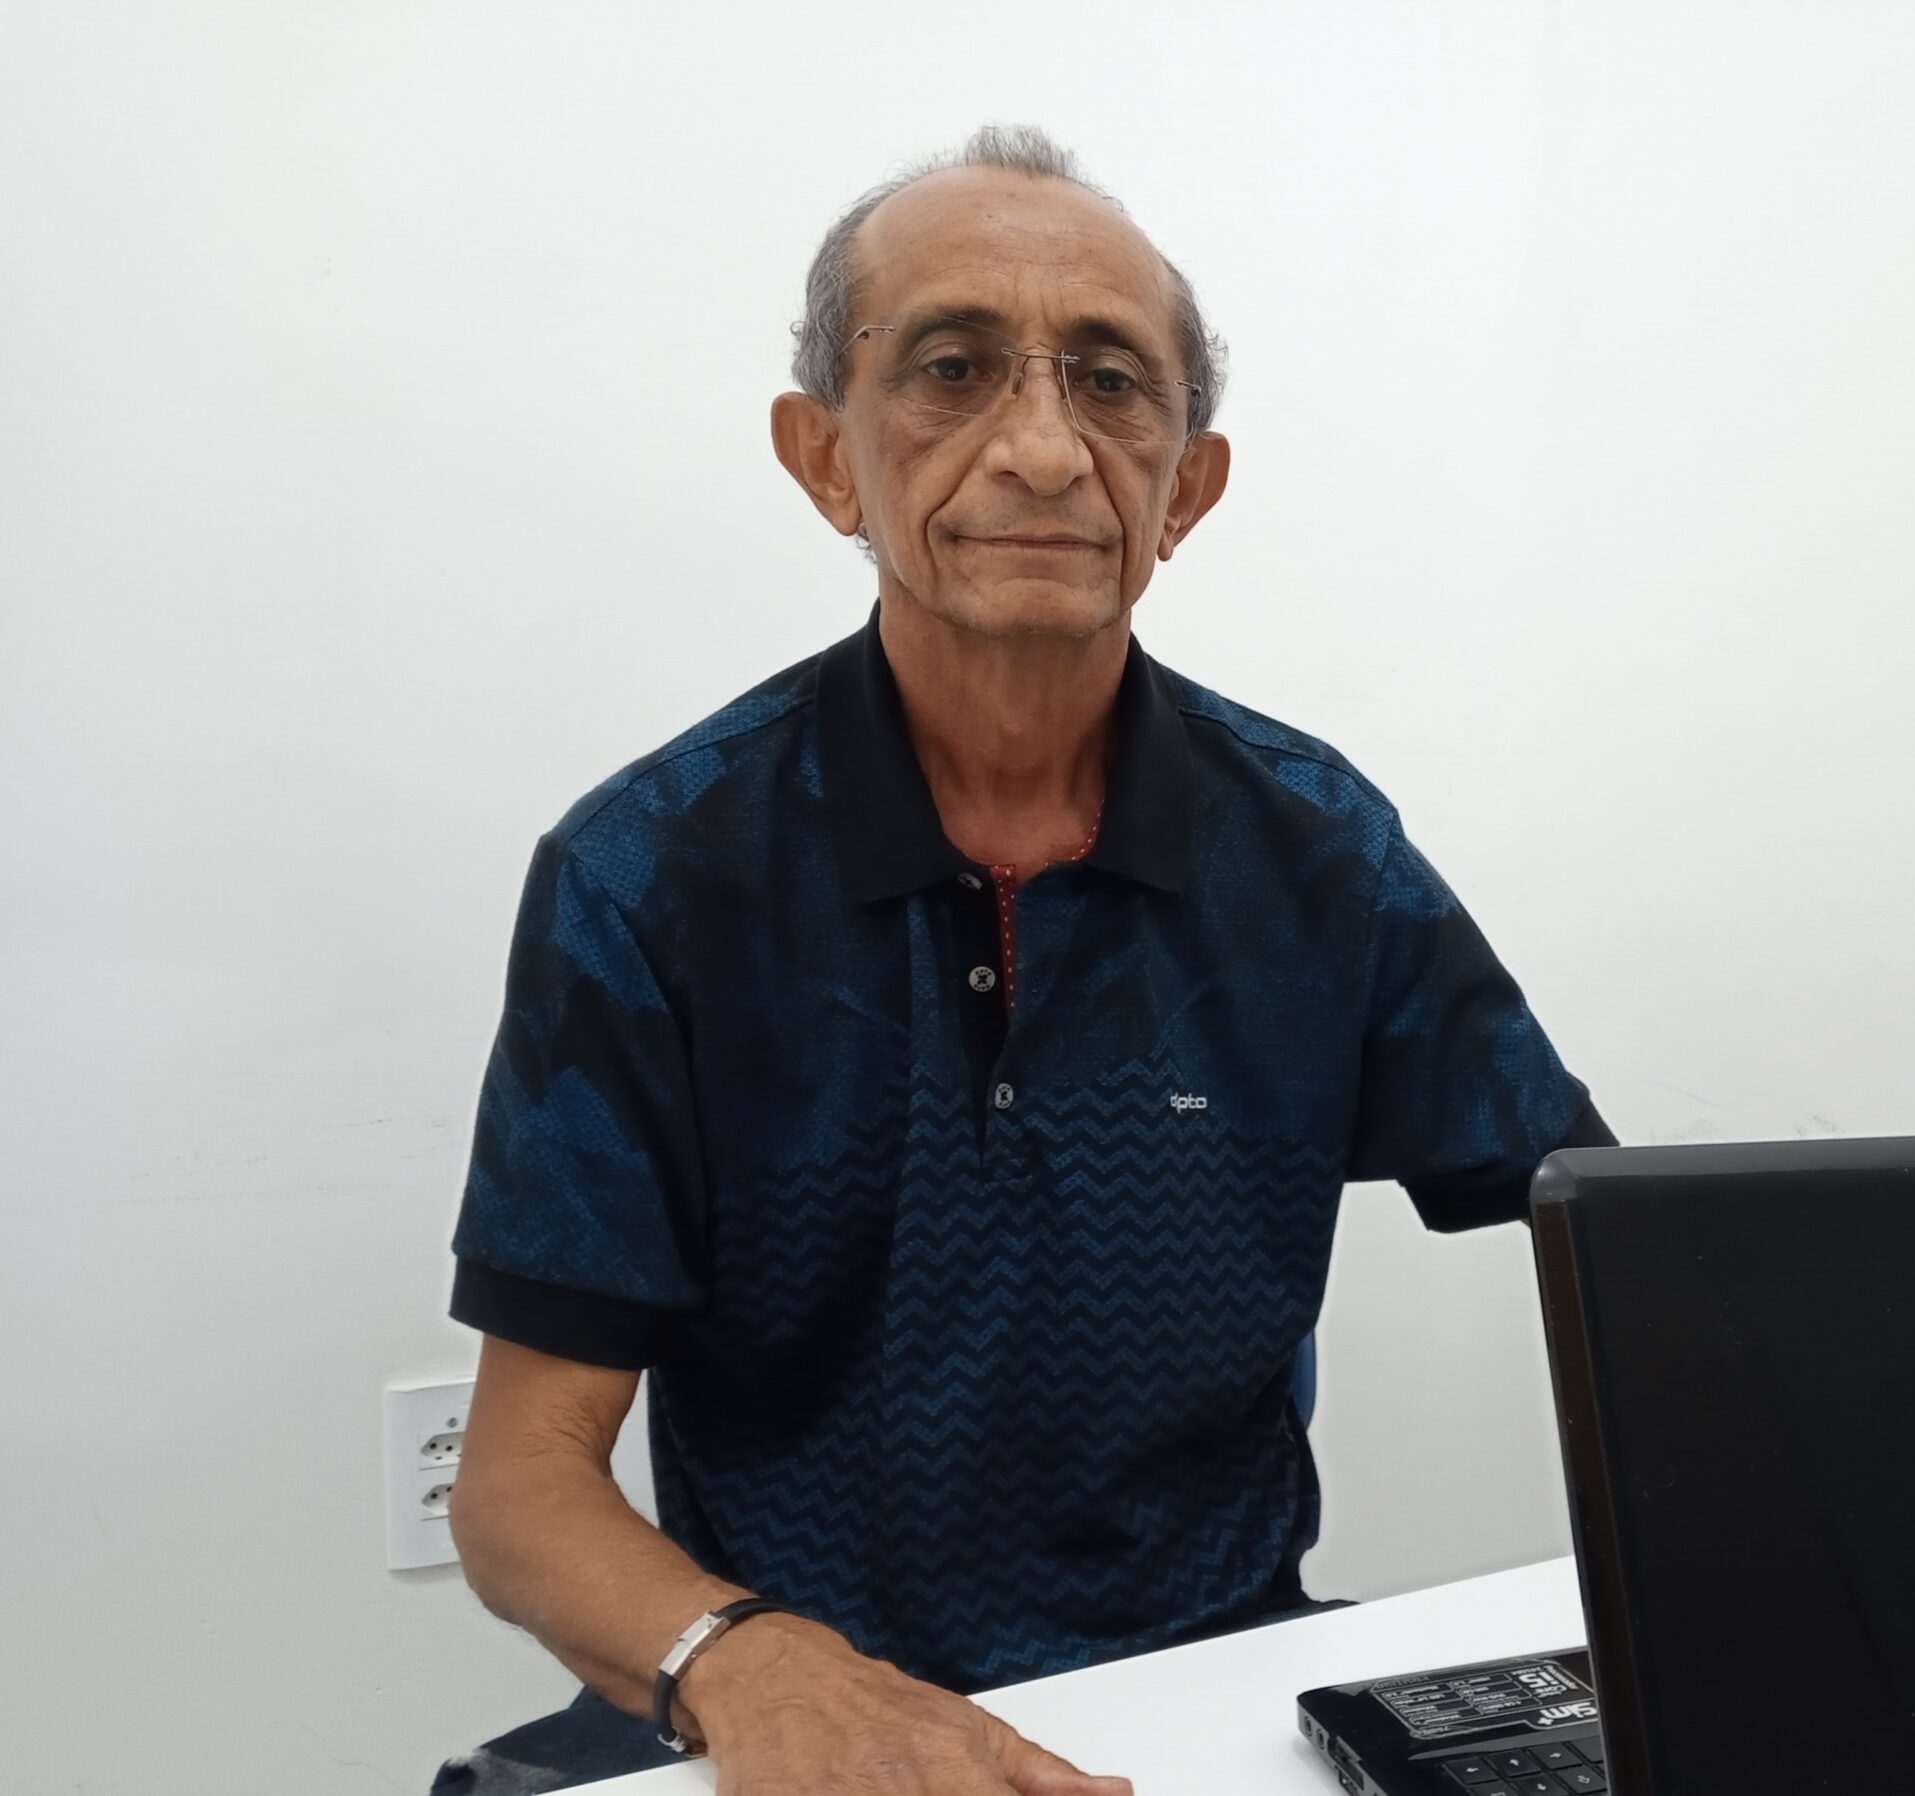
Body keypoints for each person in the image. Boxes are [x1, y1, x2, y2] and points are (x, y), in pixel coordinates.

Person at [437, 124, 1609, 1796]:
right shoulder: (650, 876)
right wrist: (753, 1670)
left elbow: (1626, 1252)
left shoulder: (1317, 851)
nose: (1046, 449)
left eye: (1114, 384)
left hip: (1223, 1682)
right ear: (825, 457)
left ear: (1186, 487)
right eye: (952, 368)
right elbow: (518, 1481)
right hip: (804, 1702)